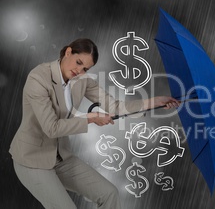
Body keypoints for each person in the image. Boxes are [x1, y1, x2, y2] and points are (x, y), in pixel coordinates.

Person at [9, 38, 180, 209]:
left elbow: (115, 106)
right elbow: (51, 128)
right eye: (78, 62)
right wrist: (90, 118)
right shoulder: (38, 78)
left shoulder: (82, 80)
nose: (79, 70)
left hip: (61, 157)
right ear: (68, 52)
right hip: (32, 159)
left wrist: (155, 101)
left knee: (109, 194)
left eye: (85, 68)